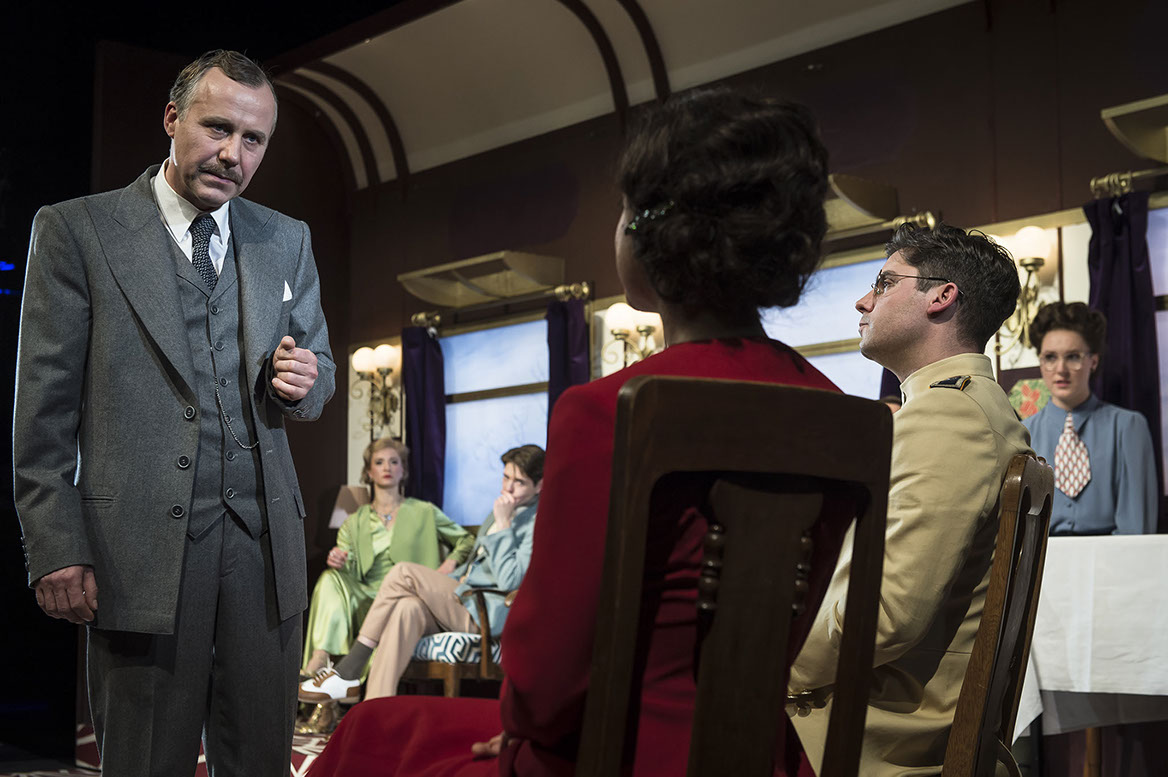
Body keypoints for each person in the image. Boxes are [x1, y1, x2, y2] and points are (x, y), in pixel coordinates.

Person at [306, 87, 850, 777]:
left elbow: (542, 683)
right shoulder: (835, 410)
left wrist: (525, 727)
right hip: (765, 754)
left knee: (369, 735)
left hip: (616, 753)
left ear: (652, 232)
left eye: (622, 209)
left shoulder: (613, 408)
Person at [13, 50, 334, 777]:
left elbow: (319, 369)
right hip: (138, 553)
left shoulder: (286, 238)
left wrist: (306, 380)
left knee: (259, 762)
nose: (232, 154)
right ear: (171, 119)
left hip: (265, 553)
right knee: (145, 762)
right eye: (217, 128)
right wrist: (55, 543)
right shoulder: (77, 231)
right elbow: (43, 408)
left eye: (252, 139)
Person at [787, 223, 1033, 776]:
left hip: (872, 732)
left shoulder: (949, 416)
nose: (863, 300)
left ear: (941, 296)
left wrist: (776, 663)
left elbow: (887, 614)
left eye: (883, 282)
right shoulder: (968, 406)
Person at [300, 444, 544, 702]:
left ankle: (350, 670)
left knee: (403, 572)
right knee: (406, 608)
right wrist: (450, 578)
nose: (508, 488)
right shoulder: (498, 512)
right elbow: (474, 565)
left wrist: (503, 524)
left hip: (484, 612)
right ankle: (376, 710)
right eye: (506, 477)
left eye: (519, 482)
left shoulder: (536, 521)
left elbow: (510, 580)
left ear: (540, 485)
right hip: (463, 600)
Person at [301, 436, 475, 679]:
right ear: (368, 472)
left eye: (394, 462)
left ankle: (344, 676)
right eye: (379, 462)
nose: (387, 467)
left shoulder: (424, 511)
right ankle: (320, 657)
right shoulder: (354, 522)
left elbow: (467, 540)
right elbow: (348, 568)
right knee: (329, 578)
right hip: (365, 598)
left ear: (403, 471)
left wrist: (449, 565)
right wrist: (338, 561)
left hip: (407, 595)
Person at [1022, 301, 1156, 535]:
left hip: (1113, 555)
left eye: (1073, 356)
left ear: (1093, 361)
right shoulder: (1024, 434)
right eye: (1050, 357)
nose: (1061, 369)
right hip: (1043, 557)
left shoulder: (1127, 427)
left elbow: (1136, 530)